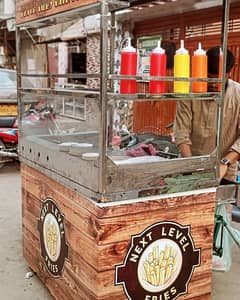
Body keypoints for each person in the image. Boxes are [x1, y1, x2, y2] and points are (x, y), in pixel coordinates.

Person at [173, 46, 240, 184]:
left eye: (218, 80)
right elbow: (182, 133)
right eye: (209, 78)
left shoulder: (238, 94)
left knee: (220, 204)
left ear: (229, 74)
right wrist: (192, 167)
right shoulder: (188, 92)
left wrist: (225, 162)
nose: (214, 85)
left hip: (225, 170)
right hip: (190, 164)